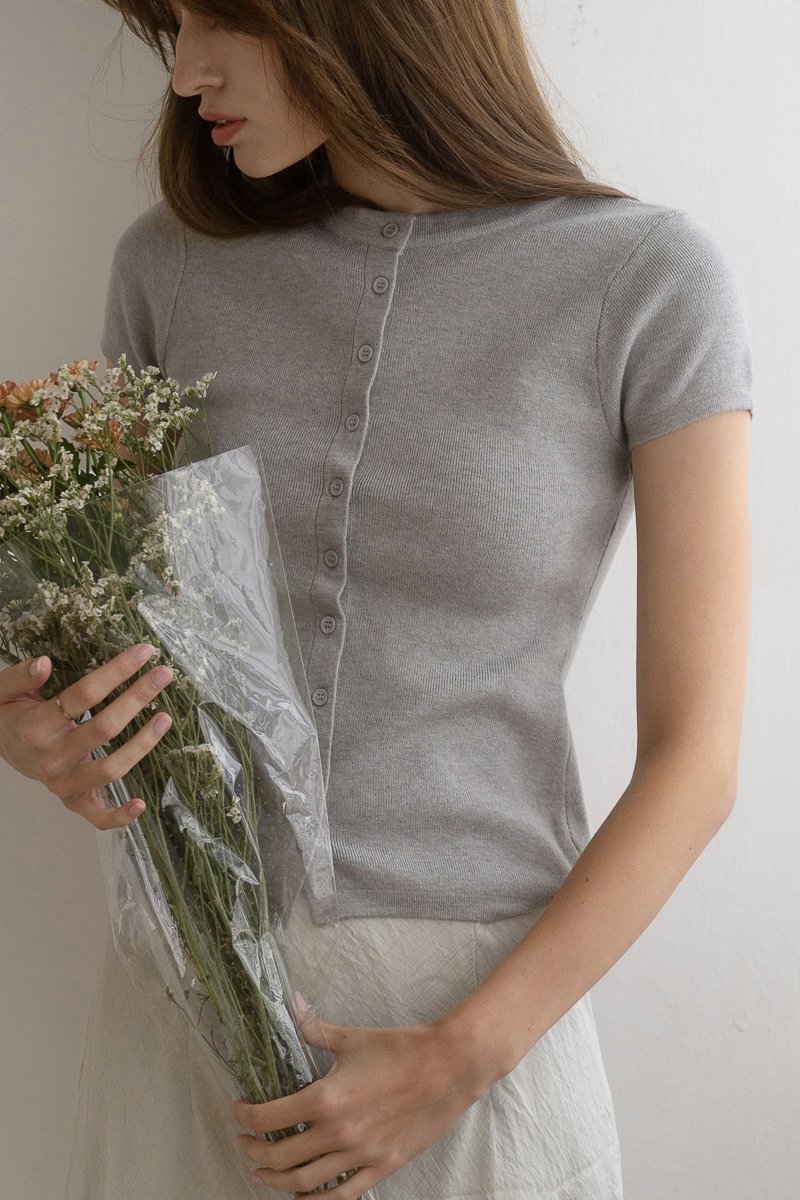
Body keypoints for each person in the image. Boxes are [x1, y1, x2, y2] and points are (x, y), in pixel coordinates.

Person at [0, 2, 753, 1198]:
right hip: (183, 1013)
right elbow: (109, 622)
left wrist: (460, 1058)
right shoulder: (169, 264)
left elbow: (695, 761)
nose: (186, 72)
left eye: (222, 15)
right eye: (171, 23)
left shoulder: (643, 280)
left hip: (475, 1031)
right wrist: (40, 724)